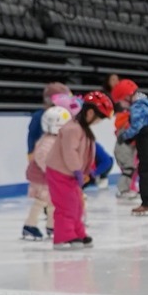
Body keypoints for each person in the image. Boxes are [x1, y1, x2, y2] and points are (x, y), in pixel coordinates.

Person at [47, 91, 111, 247]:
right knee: (66, 205)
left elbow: (86, 153)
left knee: (77, 204)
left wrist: (86, 171)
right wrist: (77, 170)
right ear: (90, 113)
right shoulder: (73, 129)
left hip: (70, 173)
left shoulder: (82, 129)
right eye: (99, 118)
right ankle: (63, 237)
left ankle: (77, 233)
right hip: (60, 172)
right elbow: (70, 151)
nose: (99, 122)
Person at [111, 79, 148, 216]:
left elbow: (136, 126)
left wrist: (125, 136)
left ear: (128, 96)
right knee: (147, 172)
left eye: (121, 100)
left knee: (147, 173)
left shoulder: (139, 107)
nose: (121, 104)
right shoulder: (140, 104)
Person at [24, 101, 69, 239]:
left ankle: (52, 226)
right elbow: (42, 157)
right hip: (42, 178)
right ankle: (29, 226)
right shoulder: (48, 141)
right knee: (41, 201)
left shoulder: (53, 139)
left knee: (52, 202)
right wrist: (53, 171)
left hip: (46, 177)